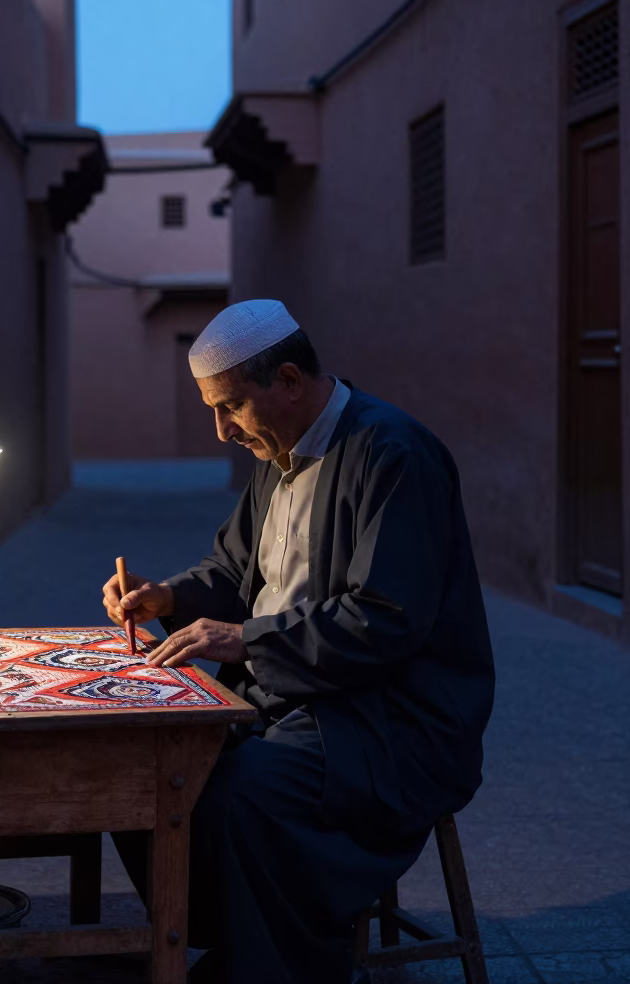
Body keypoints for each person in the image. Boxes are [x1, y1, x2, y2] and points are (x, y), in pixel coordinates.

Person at [102, 299, 495, 984]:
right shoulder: (277, 451)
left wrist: (246, 639)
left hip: (389, 715)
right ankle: (241, 942)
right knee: (144, 763)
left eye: (229, 408)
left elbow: (386, 619)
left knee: (246, 795)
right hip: (295, 695)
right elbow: (231, 569)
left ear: (287, 379)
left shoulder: (395, 454)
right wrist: (168, 596)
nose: (221, 431)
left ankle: (276, 965)